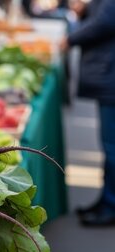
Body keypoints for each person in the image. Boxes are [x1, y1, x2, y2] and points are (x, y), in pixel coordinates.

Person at [63, 0, 115, 226]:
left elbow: (106, 21)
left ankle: (111, 204)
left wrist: (70, 39)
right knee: (108, 146)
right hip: (107, 74)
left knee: (112, 147)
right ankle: (106, 200)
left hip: (111, 76)